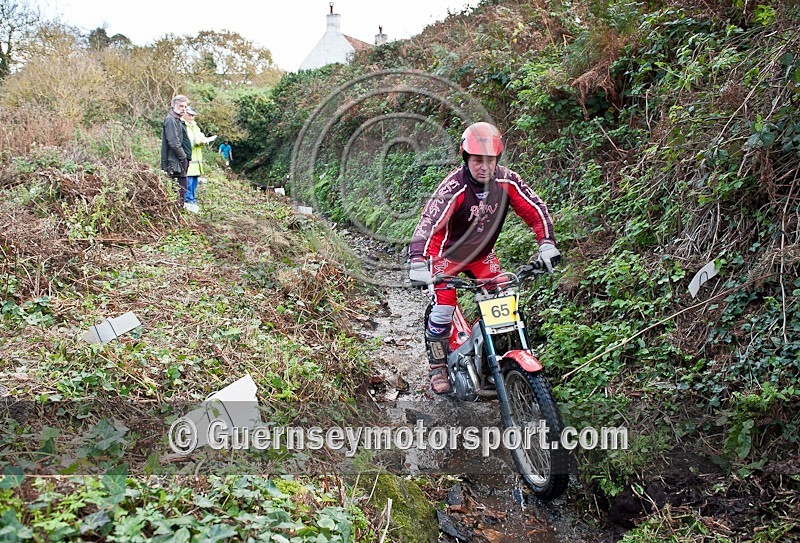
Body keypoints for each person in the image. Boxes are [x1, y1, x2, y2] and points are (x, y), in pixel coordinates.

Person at [408, 122, 562, 394]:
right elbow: (429, 221)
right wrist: (418, 261)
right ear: (465, 157)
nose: (484, 167)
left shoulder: (507, 181)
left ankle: (495, 356)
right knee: (443, 311)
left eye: (490, 161)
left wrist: (547, 243)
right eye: (477, 160)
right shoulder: (453, 187)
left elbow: (535, 209)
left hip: (481, 255)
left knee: (503, 300)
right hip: (444, 255)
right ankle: (438, 366)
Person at [183, 107, 216, 213]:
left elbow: (200, 136)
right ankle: (188, 201)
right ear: (185, 114)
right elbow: (188, 141)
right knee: (188, 182)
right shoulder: (183, 125)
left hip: (197, 159)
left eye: (193, 115)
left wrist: (204, 139)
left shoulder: (195, 126)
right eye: (189, 115)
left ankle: (192, 200)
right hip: (189, 159)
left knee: (194, 182)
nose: (191, 117)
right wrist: (199, 141)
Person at [160, 95, 191, 206]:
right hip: (174, 161)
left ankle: (178, 214)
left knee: (180, 190)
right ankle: (176, 215)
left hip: (178, 160)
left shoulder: (177, 120)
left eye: (185, 106)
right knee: (178, 190)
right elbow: (173, 142)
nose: (183, 109)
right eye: (181, 106)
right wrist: (183, 158)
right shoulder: (170, 120)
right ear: (173, 105)